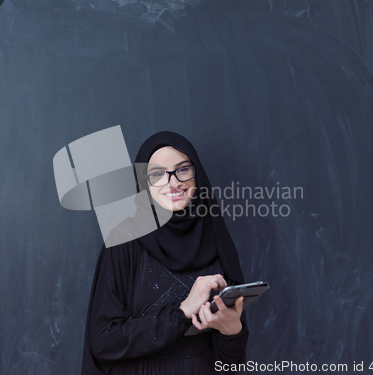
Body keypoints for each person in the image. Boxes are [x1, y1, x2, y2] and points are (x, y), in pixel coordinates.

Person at [81, 131, 248, 374]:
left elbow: (231, 365)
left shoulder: (216, 238)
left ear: (196, 172)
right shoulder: (124, 240)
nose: (173, 182)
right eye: (157, 174)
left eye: (182, 169)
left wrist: (232, 331)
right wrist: (182, 312)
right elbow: (104, 342)